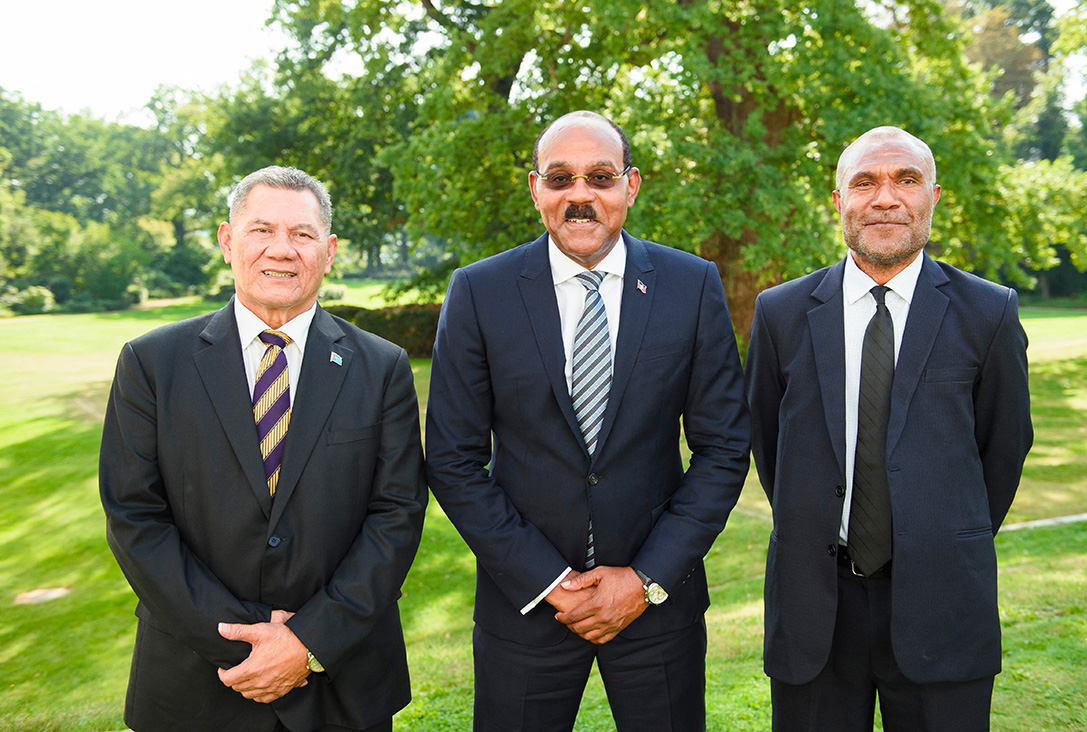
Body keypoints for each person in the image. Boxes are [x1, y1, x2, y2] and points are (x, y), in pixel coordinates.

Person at [424, 110, 751, 731]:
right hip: (526, 607)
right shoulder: (478, 291)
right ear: (535, 188)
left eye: (600, 177)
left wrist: (647, 578)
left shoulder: (691, 285)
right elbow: (453, 459)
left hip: (657, 607)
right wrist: (548, 582)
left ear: (631, 185)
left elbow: (724, 448)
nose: (580, 195)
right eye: (561, 178)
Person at [100, 166, 427, 732]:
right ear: (228, 241)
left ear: (328, 252)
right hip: (194, 684)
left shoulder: (382, 368)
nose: (282, 249)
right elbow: (135, 518)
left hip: (340, 684)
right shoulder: (152, 364)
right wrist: (244, 642)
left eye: (302, 234)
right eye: (261, 230)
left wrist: (307, 642)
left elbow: (396, 517)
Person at [745, 126, 1033, 732]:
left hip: (944, 602)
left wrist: (940, 535)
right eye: (865, 182)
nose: (885, 198)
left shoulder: (989, 312)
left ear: (933, 196)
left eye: (906, 180)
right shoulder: (781, 314)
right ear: (838, 201)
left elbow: (1002, 449)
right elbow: (772, 450)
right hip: (815, 608)